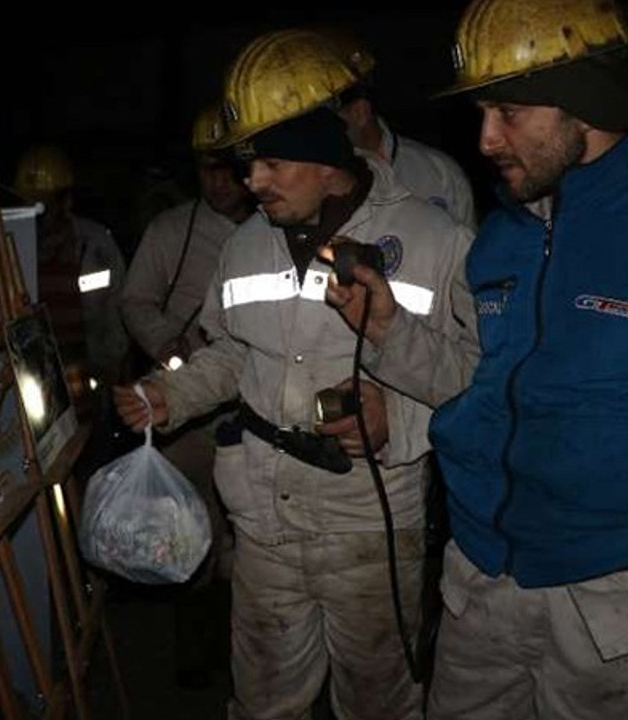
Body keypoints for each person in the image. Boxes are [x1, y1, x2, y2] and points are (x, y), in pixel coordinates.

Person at [324, 1, 628, 718]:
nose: (486, 139)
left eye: (511, 112)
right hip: (481, 587)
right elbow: (477, 383)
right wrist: (391, 330)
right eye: (481, 113)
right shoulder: (503, 237)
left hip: (626, 607)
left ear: (588, 104)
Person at [115, 28, 472, 720]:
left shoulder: (435, 242)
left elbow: (475, 378)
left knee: (378, 705)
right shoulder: (248, 243)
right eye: (249, 164)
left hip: (369, 524)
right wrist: (172, 393)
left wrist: (394, 422)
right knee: (263, 703)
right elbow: (231, 350)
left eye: (272, 163)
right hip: (263, 520)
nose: (252, 183)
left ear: (327, 160)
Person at [119, 102, 254, 688]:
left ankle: (245, 653)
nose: (220, 182)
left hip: (252, 413)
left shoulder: (273, 231)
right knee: (190, 529)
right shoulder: (172, 230)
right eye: (207, 170)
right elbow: (134, 300)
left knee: (247, 539)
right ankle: (193, 655)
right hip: (186, 409)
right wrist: (170, 350)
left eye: (228, 167)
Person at [14, 144, 130, 472]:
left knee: (93, 467)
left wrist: (110, 367)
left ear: (66, 201)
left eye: (43, 207)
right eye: (27, 205)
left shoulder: (95, 245)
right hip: (32, 386)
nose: (34, 216)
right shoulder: (9, 247)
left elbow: (117, 307)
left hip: (86, 378)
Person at [314, 25, 479, 231]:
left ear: (359, 112)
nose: (312, 133)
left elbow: (470, 257)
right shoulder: (307, 189)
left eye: (321, 121)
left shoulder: (439, 173)